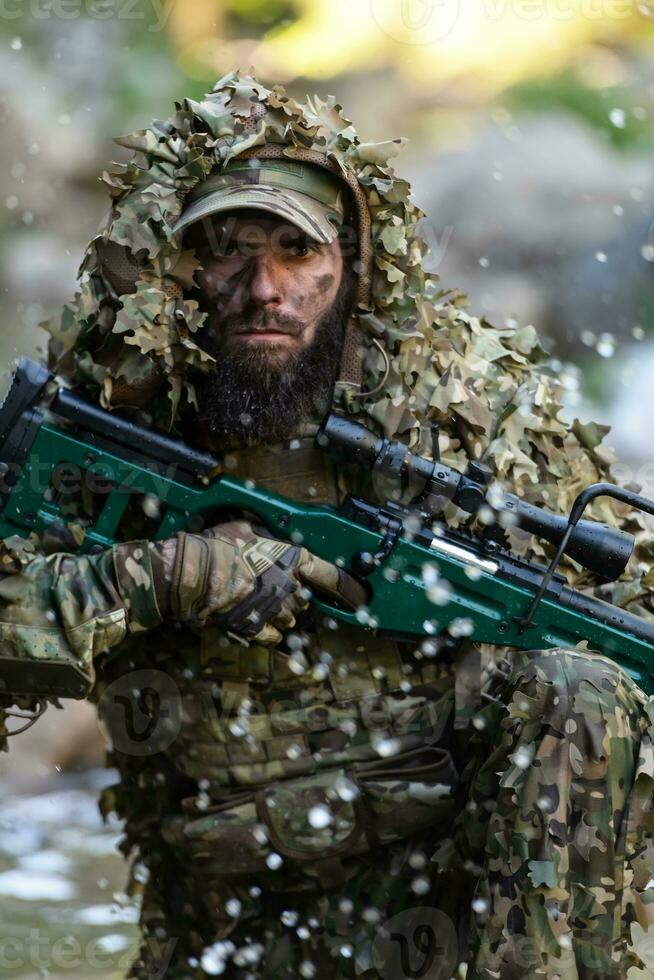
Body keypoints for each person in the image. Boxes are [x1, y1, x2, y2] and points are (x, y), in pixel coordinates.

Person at [0, 69, 653, 980]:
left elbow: (627, 617)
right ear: (177, 267)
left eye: (296, 253)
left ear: (351, 265)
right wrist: (163, 577)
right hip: (225, 916)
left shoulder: (466, 414)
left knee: (585, 690)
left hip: (449, 908)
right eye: (226, 250)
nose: (264, 288)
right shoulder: (120, 411)